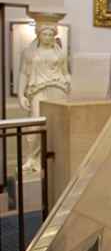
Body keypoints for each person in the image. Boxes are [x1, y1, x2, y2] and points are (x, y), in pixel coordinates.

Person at [18, 22, 71, 172]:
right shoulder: (29, 52)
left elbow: (66, 72)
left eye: (50, 35)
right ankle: (31, 158)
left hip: (58, 88)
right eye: (44, 34)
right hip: (38, 90)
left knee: (55, 125)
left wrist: (72, 85)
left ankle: (50, 159)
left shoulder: (60, 53)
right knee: (35, 123)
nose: (47, 37)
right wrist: (21, 95)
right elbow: (23, 73)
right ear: (38, 35)